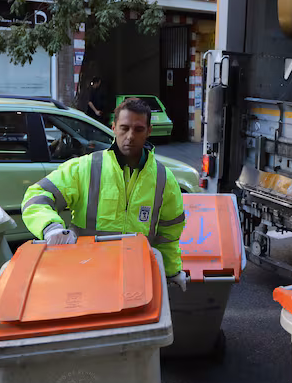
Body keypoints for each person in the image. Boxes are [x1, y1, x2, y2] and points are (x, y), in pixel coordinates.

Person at [22, 98, 187, 285]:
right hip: (87, 275)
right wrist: (51, 227)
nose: (130, 136)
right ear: (114, 127)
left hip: (136, 277)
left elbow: (168, 235)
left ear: (149, 131)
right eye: (124, 128)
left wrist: (171, 272)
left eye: (138, 129)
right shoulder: (85, 168)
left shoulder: (163, 178)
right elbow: (36, 196)